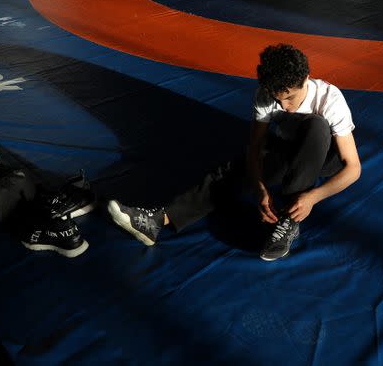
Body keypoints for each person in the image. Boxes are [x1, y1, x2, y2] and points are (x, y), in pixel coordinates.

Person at [107, 44, 361, 261]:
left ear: (307, 79)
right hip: (288, 149)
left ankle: (289, 220)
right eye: (278, 99)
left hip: (326, 154)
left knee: (316, 126)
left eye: (291, 98)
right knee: (235, 169)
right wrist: (259, 187)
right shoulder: (265, 95)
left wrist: (312, 197)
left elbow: (353, 167)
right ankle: (158, 221)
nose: (286, 107)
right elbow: (255, 149)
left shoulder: (330, 99)